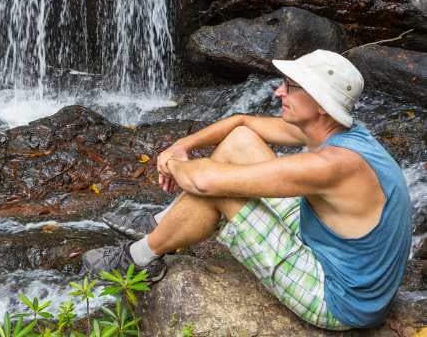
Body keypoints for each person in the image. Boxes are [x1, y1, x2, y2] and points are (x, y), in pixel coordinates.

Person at [82, 50, 412, 330]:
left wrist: (172, 164)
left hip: (341, 297)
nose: (278, 93)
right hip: (333, 245)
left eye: (290, 87)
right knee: (239, 144)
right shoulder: (333, 131)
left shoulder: (332, 164)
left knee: (221, 187)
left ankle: (140, 257)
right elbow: (243, 123)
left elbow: (205, 182)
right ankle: (161, 229)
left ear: (321, 104)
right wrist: (183, 144)